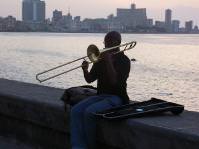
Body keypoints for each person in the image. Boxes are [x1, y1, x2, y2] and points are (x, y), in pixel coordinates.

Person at [70, 31, 131, 149]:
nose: (105, 44)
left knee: (89, 112)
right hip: (100, 95)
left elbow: (115, 82)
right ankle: (78, 146)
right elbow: (89, 80)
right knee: (75, 111)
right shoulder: (100, 60)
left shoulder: (124, 60)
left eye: (108, 41)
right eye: (105, 42)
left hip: (117, 98)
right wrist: (85, 70)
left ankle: (90, 146)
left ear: (117, 43)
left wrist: (108, 61)